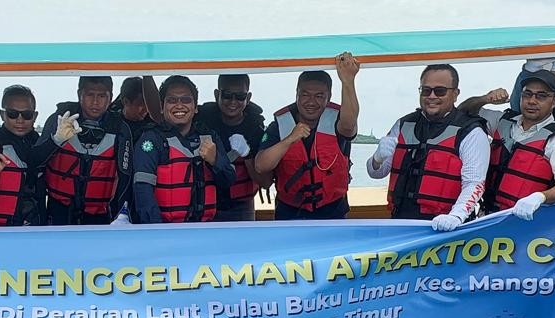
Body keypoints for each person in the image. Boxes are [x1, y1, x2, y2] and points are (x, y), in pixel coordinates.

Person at [366, 64, 489, 229]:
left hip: (448, 227)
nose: (431, 96)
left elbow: (474, 183)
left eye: (440, 91)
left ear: (455, 94)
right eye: (426, 90)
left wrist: (456, 216)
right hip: (401, 222)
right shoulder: (403, 124)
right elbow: (376, 173)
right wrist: (377, 159)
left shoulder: (471, 132)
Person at [254, 53, 361, 220]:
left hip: (332, 212)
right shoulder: (279, 125)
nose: (311, 102)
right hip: (289, 213)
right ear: (296, 94)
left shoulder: (338, 120)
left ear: (329, 97)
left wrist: (348, 81)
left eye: (319, 96)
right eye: (305, 95)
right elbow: (261, 166)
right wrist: (289, 139)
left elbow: (348, 126)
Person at [460, 70, 555, 220]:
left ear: (554, 101)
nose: (532, 101)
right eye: (527, 94)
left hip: (524, 220)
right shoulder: (501, 121)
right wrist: (485, 99)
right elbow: (462, 113)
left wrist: (540, 197)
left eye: (541, 96)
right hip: (486, 217)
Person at [132, 76, 235, 223]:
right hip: (164, 228)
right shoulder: (152, 140)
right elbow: (143, 192)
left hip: (205, 229)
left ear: (196, 107)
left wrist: (215, 161)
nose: (179, 105)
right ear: (161, 107)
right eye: (172, 100)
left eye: (186, 100)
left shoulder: (209, 137)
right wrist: (157, 230)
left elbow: (228, 181)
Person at [38, 76, 133, 224]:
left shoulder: (121, 128)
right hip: (58, 213)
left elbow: (125, 177)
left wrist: (120, 215)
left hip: (99, 216)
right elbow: (35, 163)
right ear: (79, 94)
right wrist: (56, 140)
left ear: (111, 98)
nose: (95, 102)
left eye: (102, 96)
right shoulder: (59, 120)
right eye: (90, 95)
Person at [196, 75, 269, 221]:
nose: (233, 102)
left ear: (248, 97)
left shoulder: (256, 129)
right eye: (227, 95)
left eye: (240, 96)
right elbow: (161, 117)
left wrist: (247, 155)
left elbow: (265, 182)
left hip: (241, 206)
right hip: (204, 201)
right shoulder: (202, 119)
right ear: (217, 94)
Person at [0, 84, 45, 226]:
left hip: (34, 228)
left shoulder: (41, 144)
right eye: (12, 114)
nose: (20, 120)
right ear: (2, 114)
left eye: (27, 115)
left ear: (35, 116)